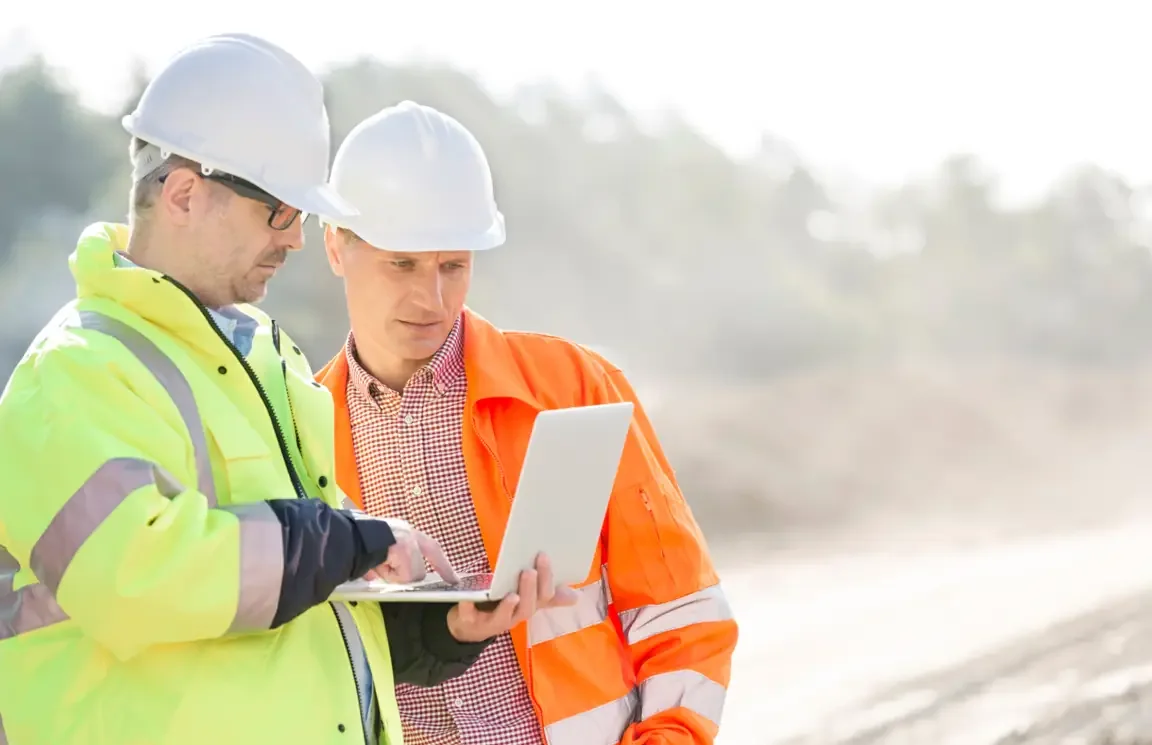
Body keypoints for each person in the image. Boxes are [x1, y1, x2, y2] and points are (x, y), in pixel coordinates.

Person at [0, 36, 567, 745]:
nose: (297, 239)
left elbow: (300, 604)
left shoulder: (268, 361)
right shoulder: (75, 372)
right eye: (281, 212)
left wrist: (441, 628)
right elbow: (134, 578)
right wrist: (347, 539)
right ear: (183, 193)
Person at [315, 101, 739, 745]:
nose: (432, 299)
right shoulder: (300, 425)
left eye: (452, 266)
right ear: (335, 248)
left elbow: (681, 608)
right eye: (402, 264)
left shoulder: (572, 388)